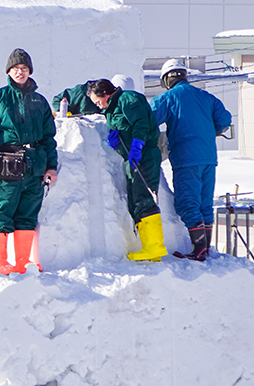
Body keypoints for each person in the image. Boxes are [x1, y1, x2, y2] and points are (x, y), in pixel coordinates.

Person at [0, 48, 59, 274]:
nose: (20, 72)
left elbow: (48, 137)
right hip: (7, 162)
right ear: (8, 71)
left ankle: (22, 262)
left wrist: (51, 167)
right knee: (2, 212)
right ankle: (0, 262)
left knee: (27, 214)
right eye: (15, 68)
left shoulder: (39, 100)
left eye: (24, 68)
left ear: (29, 71)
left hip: (35, 165)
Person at [148, 59, 232, 261]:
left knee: (187, 202)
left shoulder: (167, 98)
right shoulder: (206, 97)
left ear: (167, 79)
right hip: (209, 157)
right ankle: (205, 248)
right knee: (204, 203)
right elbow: (225, 120)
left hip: (186, 158)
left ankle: (199, 249)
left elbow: (148, 120)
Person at [87, 78, 168, 262]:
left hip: (145, 155)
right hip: (132, 160)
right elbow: (124, 130)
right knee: (136, 200)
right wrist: (115, 143)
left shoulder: (127, 99)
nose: (98, 106)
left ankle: (155, 247)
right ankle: (149, 247)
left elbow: (141, 123)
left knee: (145, 197)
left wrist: (138, 144)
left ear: (106, 94)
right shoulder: (111, 110)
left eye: (97, 101)